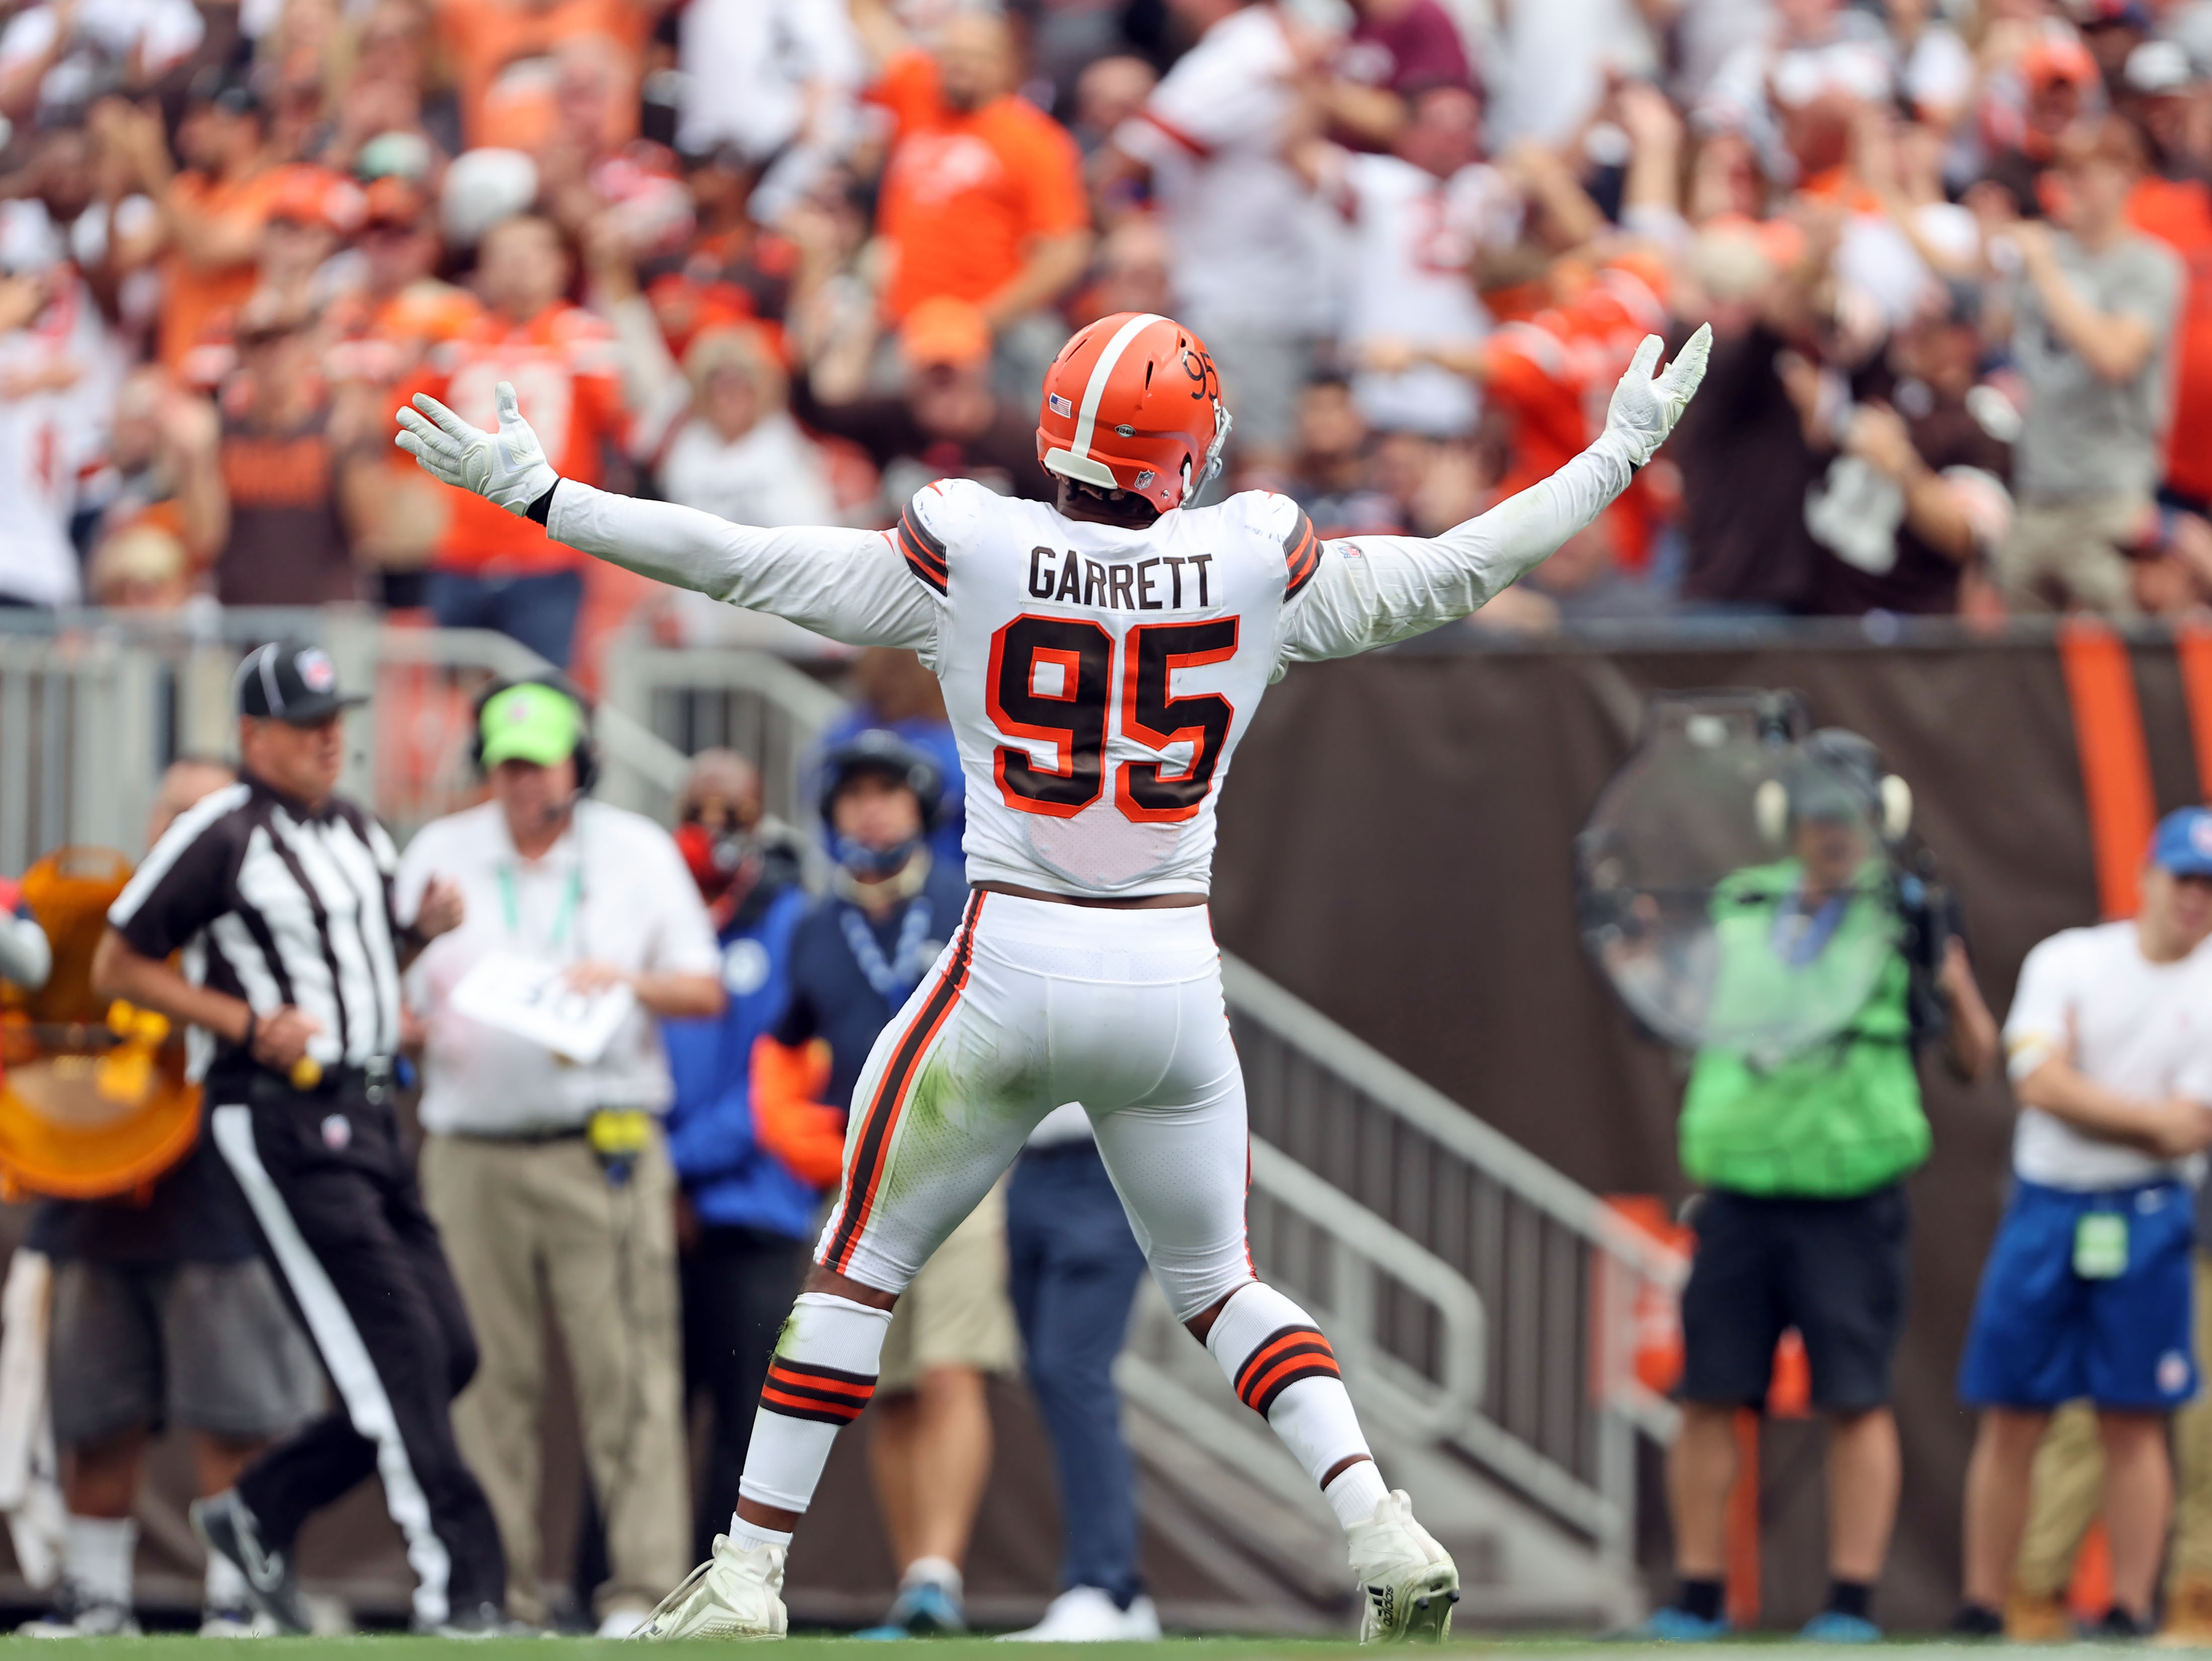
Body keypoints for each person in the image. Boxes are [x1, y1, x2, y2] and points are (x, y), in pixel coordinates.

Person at [393, 306, 1714, 1642]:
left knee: (858, 1270)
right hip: (1168, 977)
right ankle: (1376, 1517)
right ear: (1183, 451)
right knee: (1219, 1285)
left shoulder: (975, 542)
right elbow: (1454, 569)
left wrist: (550, 496)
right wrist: (1611, 456)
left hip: (1011, 955)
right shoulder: (1251, 553)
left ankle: (746, 1570)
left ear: (1055, 428)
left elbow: (746, 563)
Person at [85, 638, 505, 1637]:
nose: (330, 739)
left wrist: (420, 939)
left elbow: (352, 964)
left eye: (336, 720)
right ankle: (464, 1586)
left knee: (447, 1352)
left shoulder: (355, 827)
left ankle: (259, 1509)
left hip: (370, 1109)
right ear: (254, 735)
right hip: (278, 1115)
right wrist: (241, 1024)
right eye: (308, 724)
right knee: (393, 1352)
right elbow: (117, 963)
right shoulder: (220, 831)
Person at [1642, 731, 1999, 1642]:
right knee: (1709, 1391)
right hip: (1738, 1185)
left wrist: (1945, 969)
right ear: (1784, 822)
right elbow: (1673, 1008)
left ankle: (1848, 1604)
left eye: (1845, 817)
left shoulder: (1905, 916)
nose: (1829, 834)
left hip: (1852, 1189)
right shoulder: (1738, 907)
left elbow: (1973, 1059)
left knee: (1854, 1394)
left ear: (1878, 820)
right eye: (1813, 815)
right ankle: (1695, 1599)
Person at [394, 674, 723, 1635]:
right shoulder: (440, 852)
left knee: (630, 1376)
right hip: (468, 1147)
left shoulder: (634, 852)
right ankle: (502, 1594)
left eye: (537, 764)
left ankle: (641, 1591)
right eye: (503, 765)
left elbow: (704, 989)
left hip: (602, 1147)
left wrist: (625, 980)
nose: (519, 784)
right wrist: (410, 1019)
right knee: (483, 1381)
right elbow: (388, 988)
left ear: (579, 765)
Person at [17, 758, 322, 1640]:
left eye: (201, 814)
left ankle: (237, 1599)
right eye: (170, 812)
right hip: (91, 1194)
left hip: (219, 1205)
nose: (181, 830)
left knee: (233, 1414)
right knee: (96, 1415)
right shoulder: (96, 914)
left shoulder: (273, 922)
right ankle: (95, 1596)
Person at [750, 731, 1015, 1637]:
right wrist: (794, 1132)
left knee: (950, 1365)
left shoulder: (964, 901)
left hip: (958, 1168)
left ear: (920, 808)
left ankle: (940, 1571)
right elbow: (784, 1048)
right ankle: (915, 1593)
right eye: (855, 794)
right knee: (883, 1385)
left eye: (889, 793)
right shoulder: (815, 926)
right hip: (857, 1186)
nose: (873, 809)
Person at [1952, 808, 2212, 1637]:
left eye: (2209, 888)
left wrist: (2079, 1096)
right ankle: (1987, 1602)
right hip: (2047, 1206)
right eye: (2184, 879)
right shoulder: (2068, 958)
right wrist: (2137, 1116)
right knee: (2014, 1412)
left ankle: (2131, 1606)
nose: (2195, 900)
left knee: (2135, 1413)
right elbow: (2032, 1080)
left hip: (2151, 1215)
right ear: (2144, 876)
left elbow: (2188, 1127)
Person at [661, 750, 816, 1564]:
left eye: (733, 813)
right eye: (699, 810)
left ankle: (715, 1588)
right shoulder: (655, 914)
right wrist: (655, 1175)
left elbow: (772, 1082)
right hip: (660, 1214)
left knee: (740, 1420)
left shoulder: (791, 922)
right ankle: (606, 1588)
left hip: (754, 1209)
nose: (713, 829)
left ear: (761, 820)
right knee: (643, 1413)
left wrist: (674, 1166)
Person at [409, 214, 627, 667]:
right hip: (460, 550)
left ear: (561, 264)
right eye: (504, 255)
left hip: (546, 549)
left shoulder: (585, 339)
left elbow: (629, 424)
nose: (518, 266)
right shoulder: (457, 342)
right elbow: (401, 423)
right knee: (456, 706)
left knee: (539, 696)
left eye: (531, 253)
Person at [1989, 117, 2184, 614]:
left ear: (2122, 176)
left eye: (2085, 172)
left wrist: (2045, 270)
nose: (2070, 185)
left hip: (2108, 500)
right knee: (2024, 671)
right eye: (2063, 172)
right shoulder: (2044, 250)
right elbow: (1989, 324)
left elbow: (2114, 357)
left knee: (2120, 663)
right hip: (2035, 494)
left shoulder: (2149, 265)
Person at [998, 1104, 1158, 1641]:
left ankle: (1105, 1585)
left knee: (1070, 1369)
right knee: (1049, 1373)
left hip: (1110, 1160)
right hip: (1026, 1168)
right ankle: (1122, 1596)